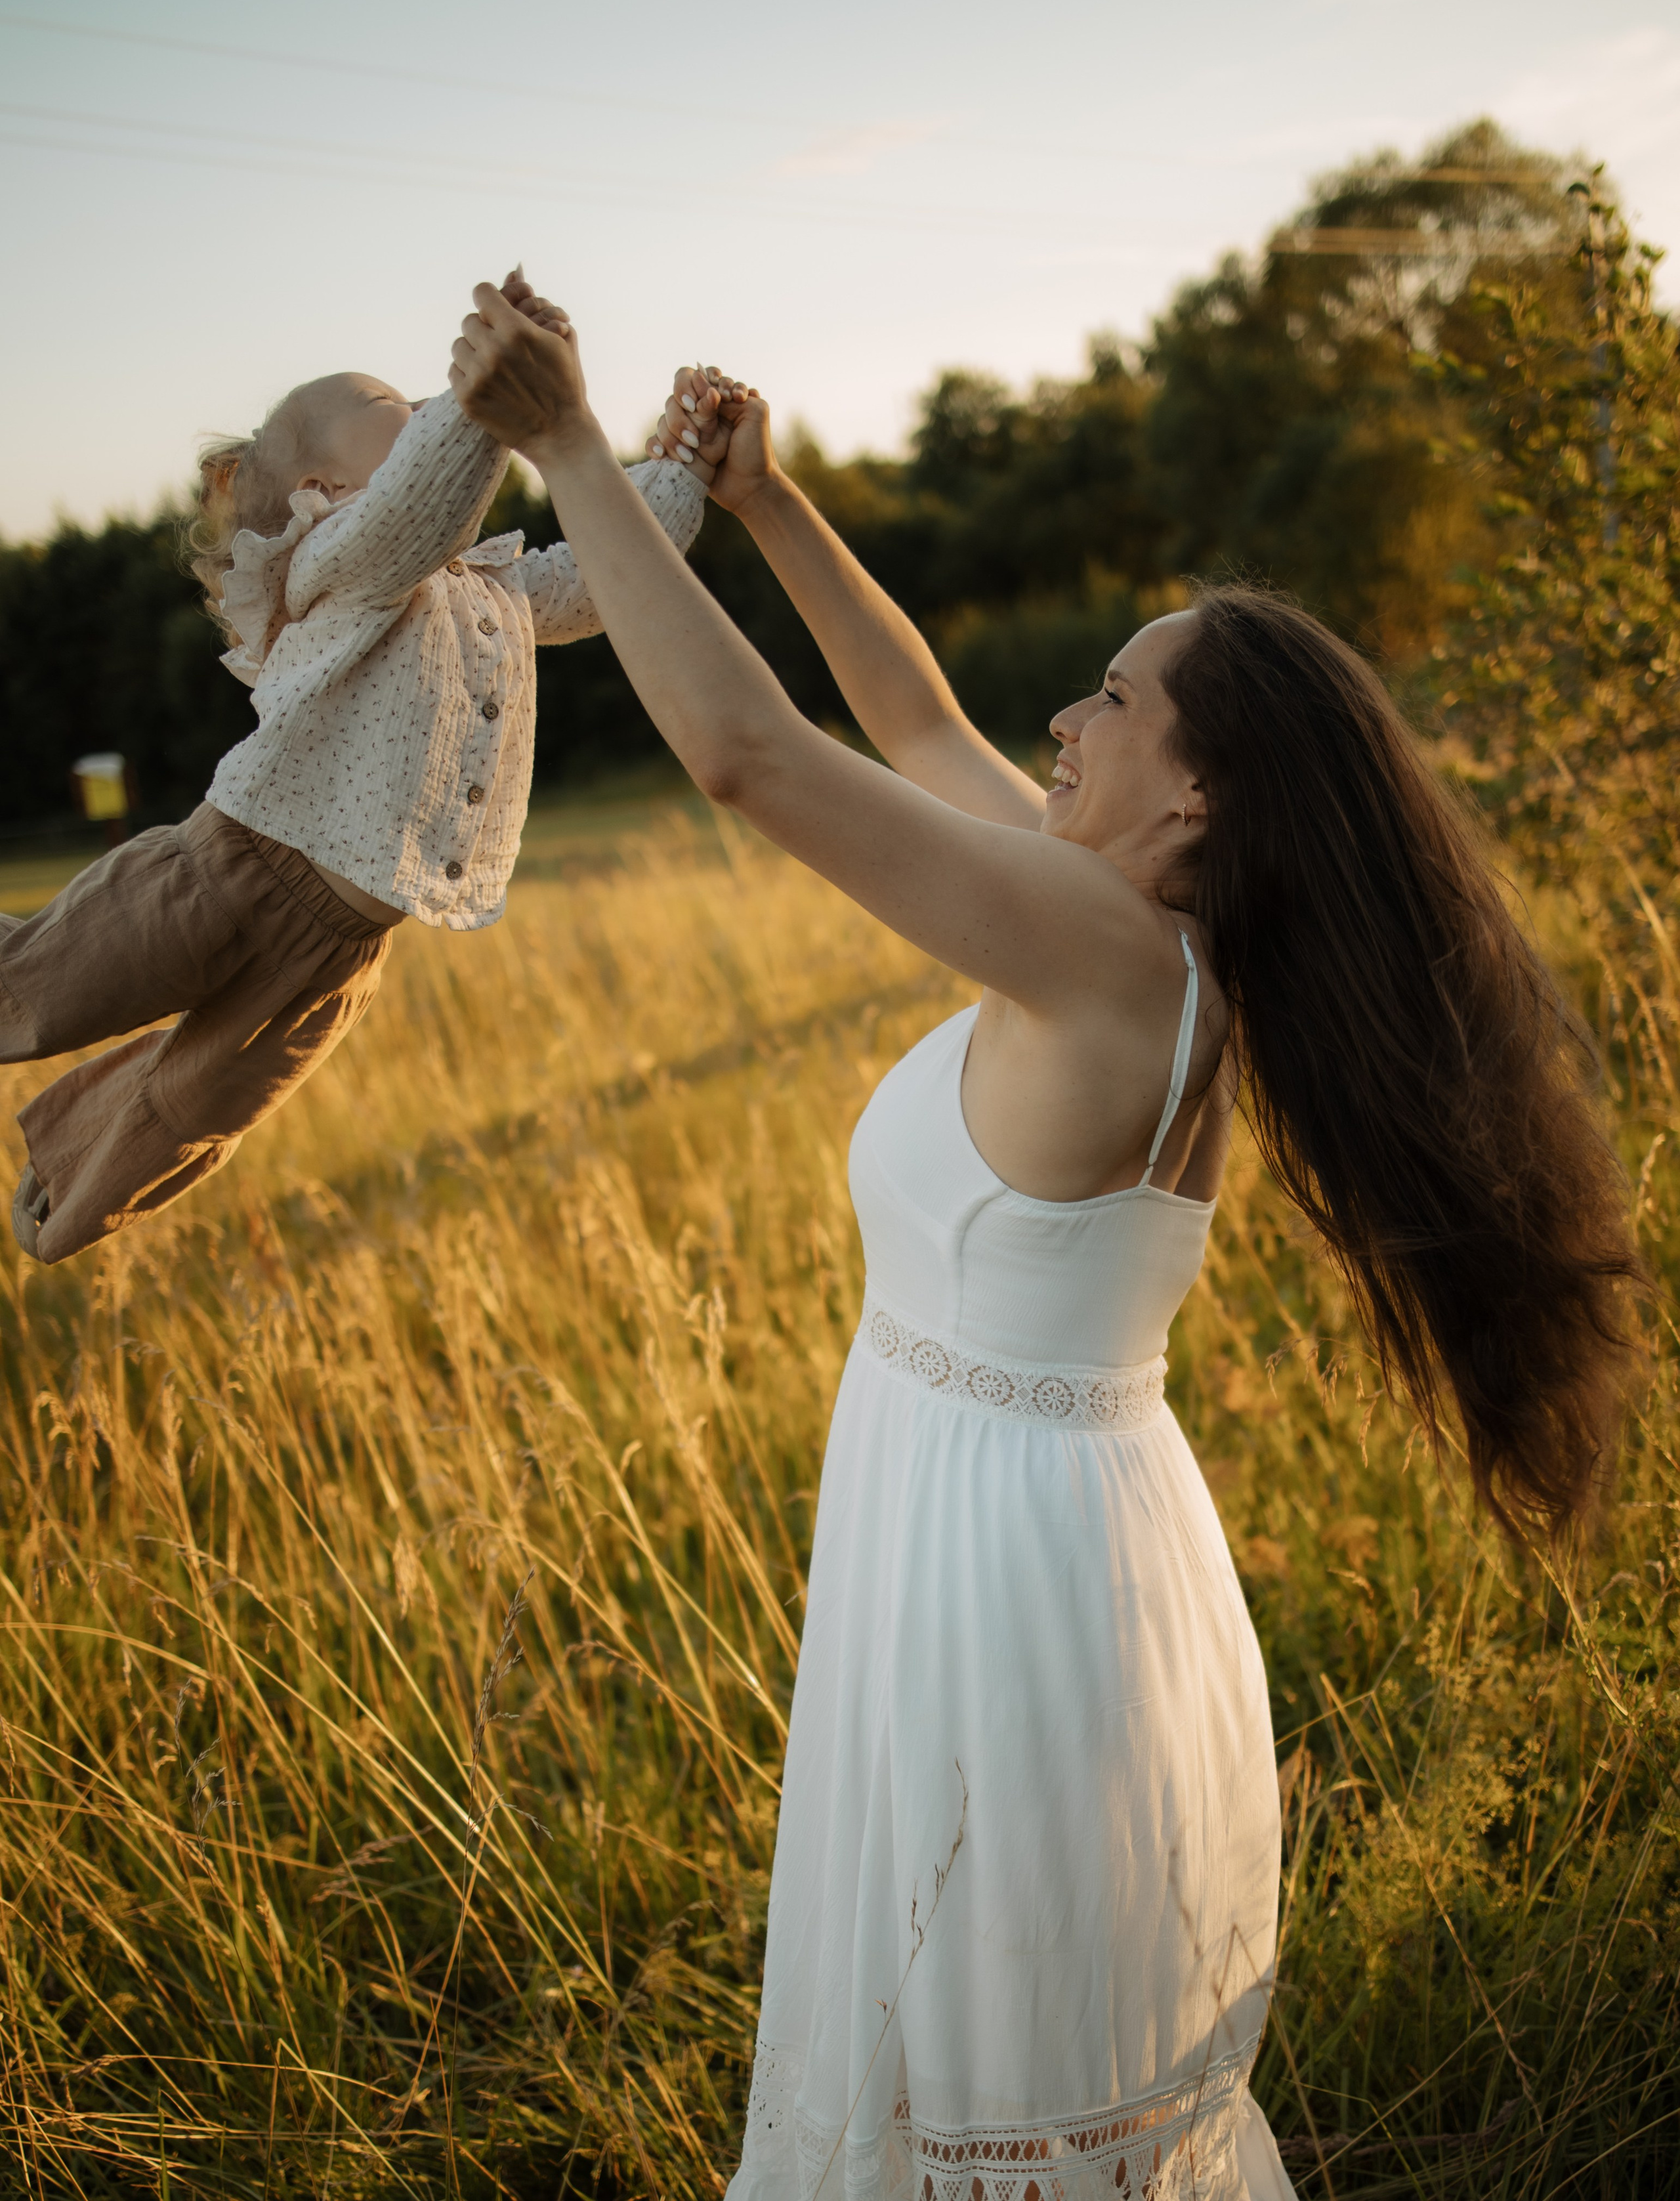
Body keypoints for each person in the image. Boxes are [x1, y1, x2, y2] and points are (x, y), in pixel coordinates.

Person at [450, 285, 1641, 2201]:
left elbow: (751, 758)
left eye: (1110, 697)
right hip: (1010, 1525)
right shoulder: (1128, 930)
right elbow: (914, 716)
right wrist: (767, 505)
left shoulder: (1105, 953)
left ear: (1199, 793)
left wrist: (570, 446)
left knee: (982, 2076)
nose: (1065, 720)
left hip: (1005, 1571)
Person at [3, 276, 720, 1264]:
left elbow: (602, 572)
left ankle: (64, 1178)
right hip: (230, 872)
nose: (424, 407)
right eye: (392, 404)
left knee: (195, 1106)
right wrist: (485, 400)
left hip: (340, 951)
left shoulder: (487, 585)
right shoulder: (335, 560)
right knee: (41, 982)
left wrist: (682, 468)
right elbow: (419, 507)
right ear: (325, 492)